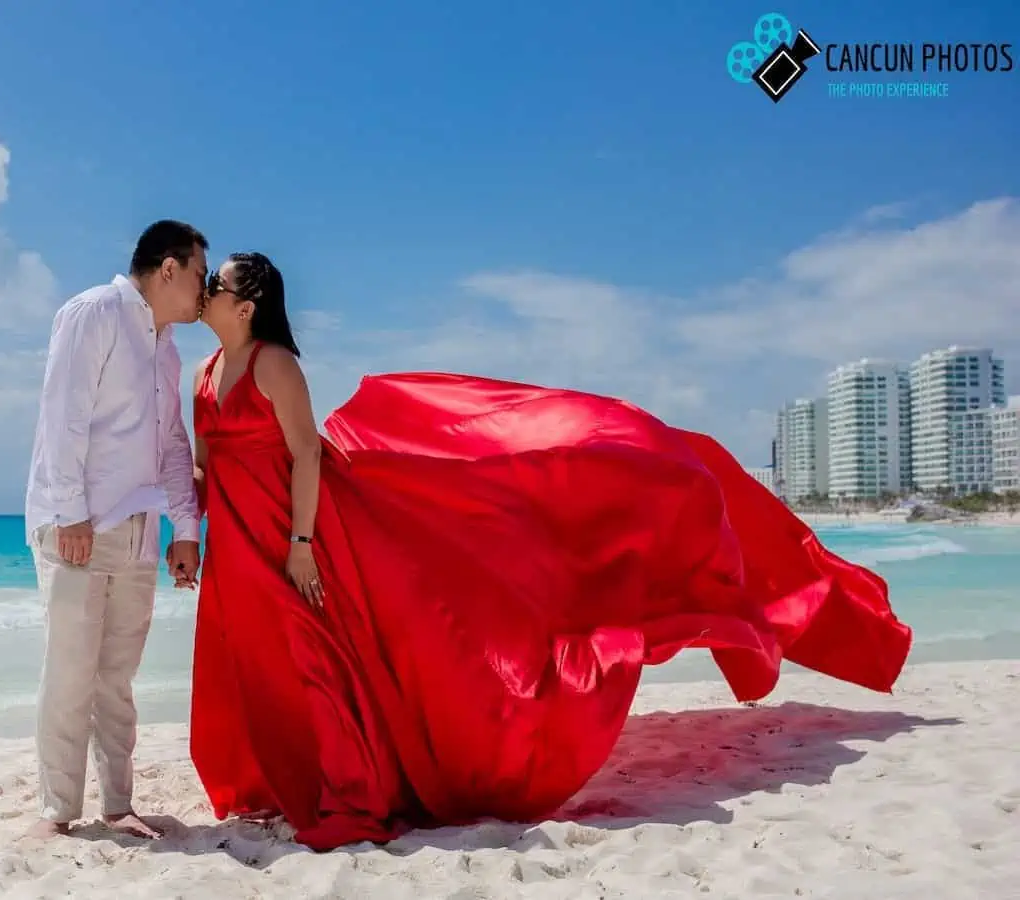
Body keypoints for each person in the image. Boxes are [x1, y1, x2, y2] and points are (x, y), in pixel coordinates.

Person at [189, 251, 913, 850]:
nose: (204, 293)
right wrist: (191, 539)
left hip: (306, 537)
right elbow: (203, 468)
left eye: (214, 285)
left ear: (247, 303)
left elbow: (307, 459)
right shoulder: (204, 375)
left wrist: (305, 544)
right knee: (260, 657)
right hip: (242, 549)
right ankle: (281, 779)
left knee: (323, 657)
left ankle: (349, 789)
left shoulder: (275, 366)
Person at [23, 220, 208, 840]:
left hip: (137, 531)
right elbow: (62, 416)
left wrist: (184, 527)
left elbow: (173, 444)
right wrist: (69, 509)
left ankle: (118, 805)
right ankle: (57, 813)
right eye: (200, 275)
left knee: (117, 678)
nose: (203, 290)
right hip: (78, 525)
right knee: (70, 671)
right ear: (168, 269)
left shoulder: (167, 345)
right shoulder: (94, 312)